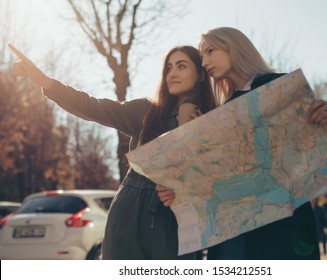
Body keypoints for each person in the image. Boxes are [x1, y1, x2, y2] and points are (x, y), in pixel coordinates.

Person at [8, 44, 216, 259]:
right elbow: (93, 107)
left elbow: (219, 181)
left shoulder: (217, 120)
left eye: (181, 66)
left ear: (201, 74)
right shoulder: (146, 111)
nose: (172, 74)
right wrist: (44, 81)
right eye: (169, 68)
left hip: (177, 218)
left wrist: (197, 137)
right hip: (131, 209)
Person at [158, 27, 327, 260]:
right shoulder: (220, 112)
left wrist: (324, 115)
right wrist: (178, 188)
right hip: (236, 230)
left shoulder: (282, 86)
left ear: (234, 47)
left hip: (286, 223)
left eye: (210, 51)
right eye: (203, 56)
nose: (204, 62)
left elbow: (309, 148)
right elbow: (215, 176)